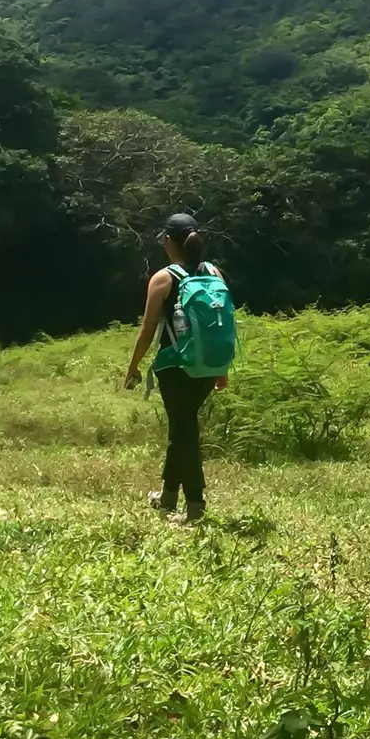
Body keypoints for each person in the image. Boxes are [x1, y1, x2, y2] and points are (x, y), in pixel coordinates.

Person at [124, 212, 225, 522]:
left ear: (169, 241)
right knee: (182, 427)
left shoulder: (164, 278)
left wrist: (133, 366)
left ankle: (195, 506)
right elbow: (221, 325)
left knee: (184, 432)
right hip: (207, 367)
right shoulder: (214, 272)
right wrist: (221, 367)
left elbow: (147, 329)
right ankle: (168, 495)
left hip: (175, 367)